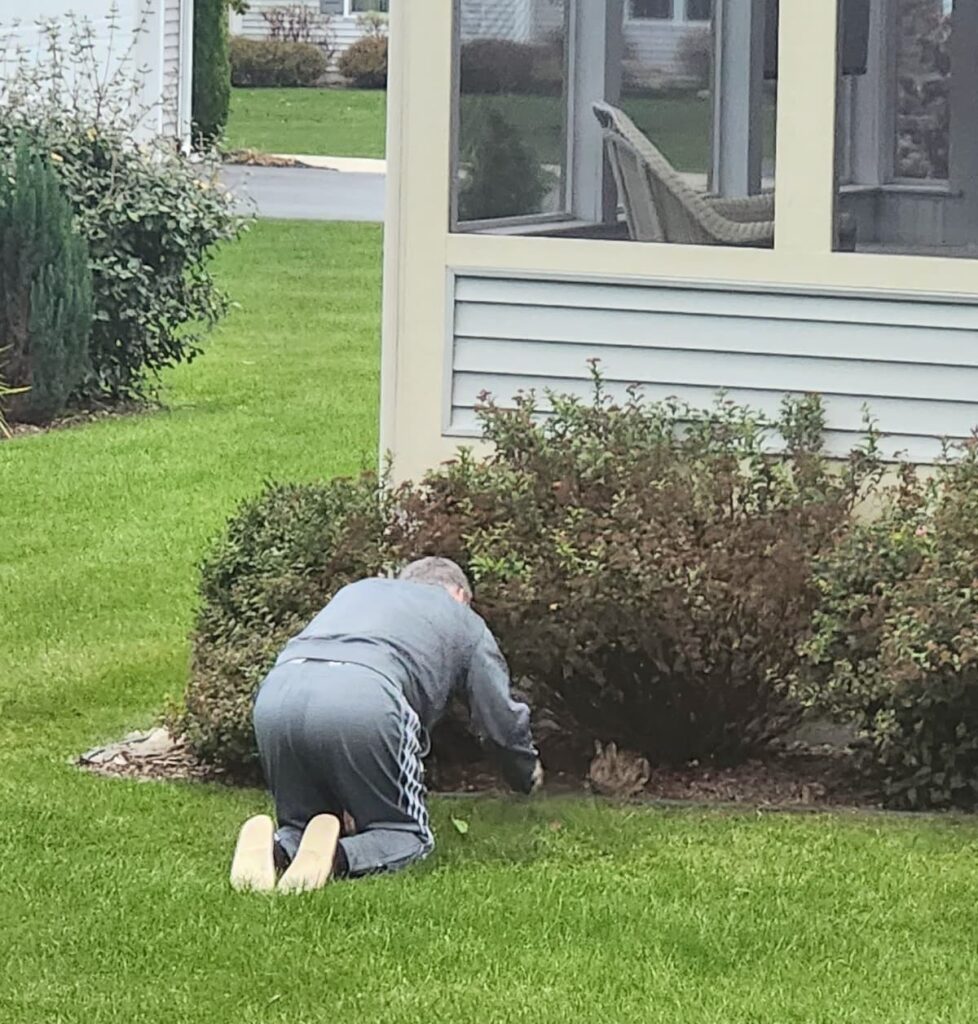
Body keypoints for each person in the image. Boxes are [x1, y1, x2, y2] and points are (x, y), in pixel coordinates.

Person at [230, 556, 543, 893]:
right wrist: (525, 774)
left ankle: (280, 849)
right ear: (459, 594)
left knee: (309, 824)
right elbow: (499, 720)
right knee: (406, 835)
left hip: (278, 694)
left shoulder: (359, 591)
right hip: (366, 696)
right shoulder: (463, 619)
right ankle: (335, 858)